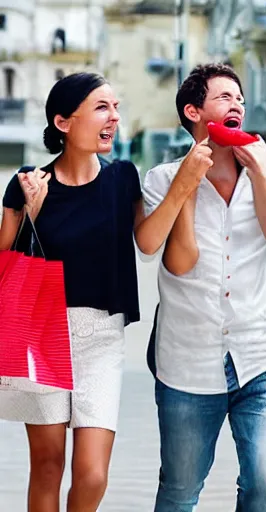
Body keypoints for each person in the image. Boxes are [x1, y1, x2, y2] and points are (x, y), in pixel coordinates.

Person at [135, 63, 266, 512]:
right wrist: (186, 184)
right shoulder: (160, 179)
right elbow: (165, 254)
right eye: (224, 98)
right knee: (180, 490)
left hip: (261, 356)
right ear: (193, 111)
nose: (238, 106)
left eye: (240, 100)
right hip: (188, 364)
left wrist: (261, 174)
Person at [0, 73, 144, 512]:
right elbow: (5, 261)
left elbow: (148, 242)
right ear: (64, 122)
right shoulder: (28, 183)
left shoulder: (122, 178)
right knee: (47, 466)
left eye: (116, 107)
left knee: (93, 475)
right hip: (41, 335)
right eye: (102, 107)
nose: (114, 117)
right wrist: (32, 213)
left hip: (101, 338)